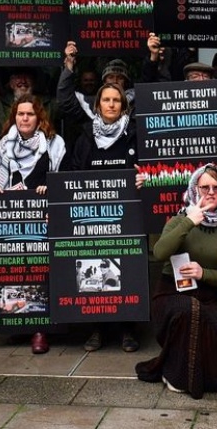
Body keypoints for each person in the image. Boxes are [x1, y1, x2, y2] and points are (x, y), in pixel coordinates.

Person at [135, 164, 217, 398]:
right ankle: (176, 375)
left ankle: (188, 371)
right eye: (205, 187)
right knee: (188, 311)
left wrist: (203, 273)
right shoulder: (179, 220)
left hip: (207, 295)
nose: (211, 192)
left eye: (216, 187)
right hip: (171, 293)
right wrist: (190, 221)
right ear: (195, 190)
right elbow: (160, 251)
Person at [0, 93, 66, 353]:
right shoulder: (0, 145)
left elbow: (65, 179)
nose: (25, 118)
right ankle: (19, 323)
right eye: (20, 114)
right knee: (17, 270)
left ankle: (40, 329)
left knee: (42, 273)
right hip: (11, 219)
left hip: (43, 220)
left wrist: (50, 188)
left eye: (30, 113)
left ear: (39, 116)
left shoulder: (54, 144)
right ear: (13, 117)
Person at [68, 81, 141, 352]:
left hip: (128, 216)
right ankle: (96, 328)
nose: (111, 104)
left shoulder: (133, 135)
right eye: (106, 100)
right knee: (94, 268)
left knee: (129, 268)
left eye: (116, 101)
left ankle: (127, 329)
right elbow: (74, 173)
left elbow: (143, 169)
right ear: (97, 105)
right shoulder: (85, 136)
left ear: (124, 106)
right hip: (92, 216)